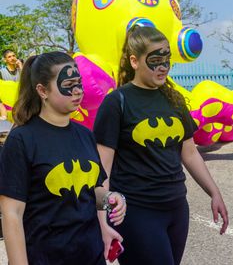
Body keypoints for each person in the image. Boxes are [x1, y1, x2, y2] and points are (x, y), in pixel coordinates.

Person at [94, 26, 229, 265]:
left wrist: (214, 192)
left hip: (176, 208)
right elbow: (102, 167)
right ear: (134, 61)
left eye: (166, 59)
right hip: (137, 211)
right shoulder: (117, 103)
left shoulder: (174, 99)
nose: (163, 66)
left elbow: (189, 153)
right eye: (155, 60)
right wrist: (102, 216)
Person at [0, 51, 126, 265]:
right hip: (47, 256)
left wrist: (110, 199)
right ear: (42, 90)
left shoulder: (85, 135)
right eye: (68, 84)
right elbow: (12, 212)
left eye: (79, 83)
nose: (77, 91)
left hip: (90, 253)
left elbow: (93, 189)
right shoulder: (22, 139)